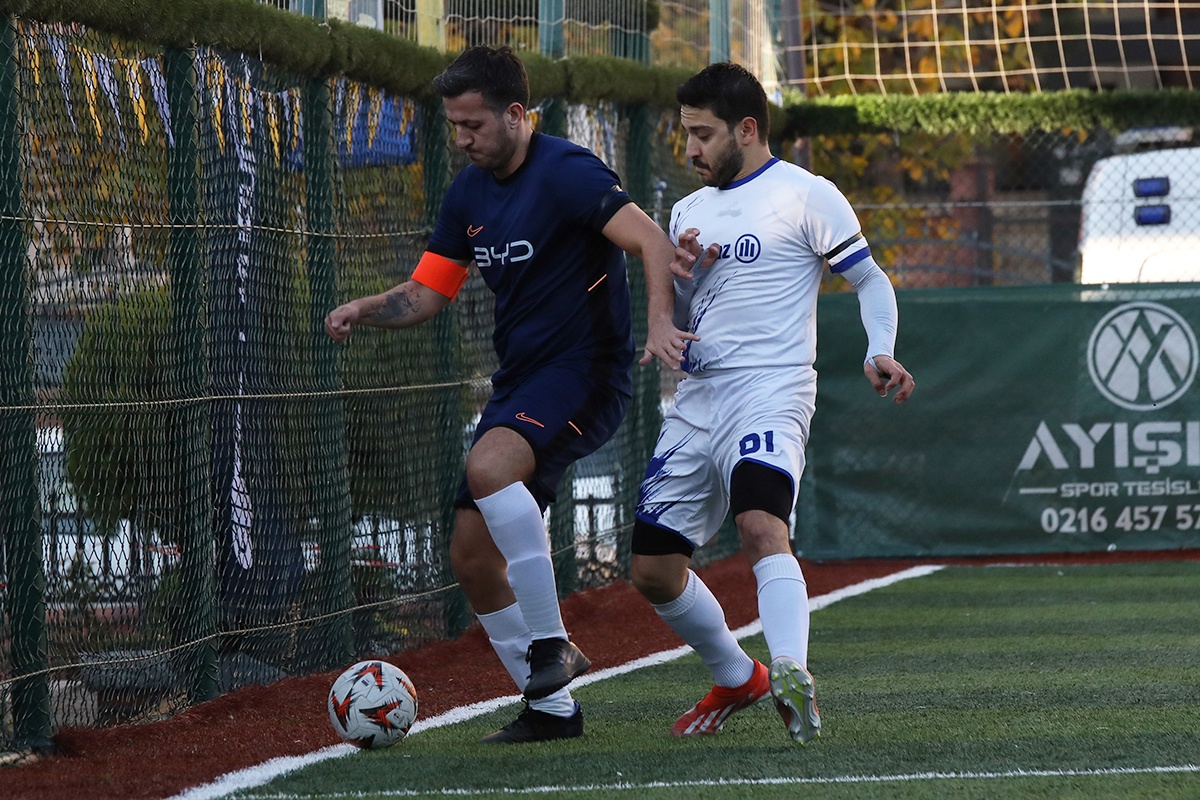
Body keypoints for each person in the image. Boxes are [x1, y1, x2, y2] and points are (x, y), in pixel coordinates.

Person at [325, 46, 685, 744]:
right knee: (471, 556)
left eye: (474, 124)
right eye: (454, 126)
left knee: (488, 466)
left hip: (586, 373)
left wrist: (662, 322)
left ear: (516, 115)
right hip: (521, 382)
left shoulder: (568, 171)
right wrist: (363, 308)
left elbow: (651, 240)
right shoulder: (468, 193)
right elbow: (428, 292)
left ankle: (553, 645)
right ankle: (552, 711)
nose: (462, 139)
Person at [629, 62, 915, 744]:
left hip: (772, 388)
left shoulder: (806, 194)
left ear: (747, 129)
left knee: (761, 523)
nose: (690, 150)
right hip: (697, 399)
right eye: (686, 134)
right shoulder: (688, 211)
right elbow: (694, 314)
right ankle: (739, 675)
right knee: (653, 572)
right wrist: (683, 282)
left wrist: (880, 348)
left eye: (703, 134)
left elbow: (870, 280)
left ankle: (790, 669)